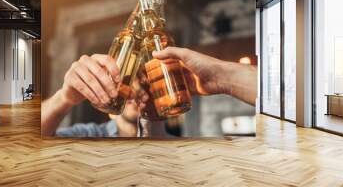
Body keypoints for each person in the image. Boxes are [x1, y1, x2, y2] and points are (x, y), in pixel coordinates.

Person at [41, 47, 257, 137]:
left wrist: (221, 77)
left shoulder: (181, 147)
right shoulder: (87, 135)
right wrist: (64, 97)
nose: (137, 91)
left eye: (144, 81)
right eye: (129, 82)